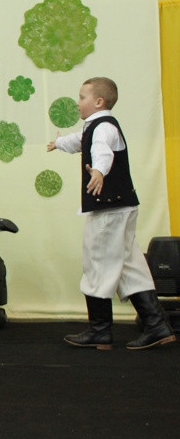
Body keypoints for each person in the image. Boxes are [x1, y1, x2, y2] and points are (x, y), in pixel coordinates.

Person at [47, 77, 176, 350]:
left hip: (110, 209)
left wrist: (98, 171)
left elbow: (101, 152)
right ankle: (157, 326)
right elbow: (81, 141)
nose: (77, 102)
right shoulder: (96, 126)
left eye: (82, 97)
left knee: (97, 261)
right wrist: (59, 144)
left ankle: (100, 329)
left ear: (99, 102)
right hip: (122, 206)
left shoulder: (103, 127)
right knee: (129, 264)